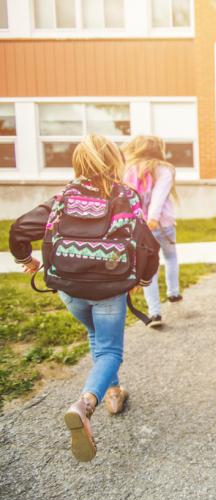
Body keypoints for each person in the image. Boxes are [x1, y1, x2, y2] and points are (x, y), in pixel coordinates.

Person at [9, 134, 159, 462]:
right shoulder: (126, 196)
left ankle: (114, 392)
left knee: (95, 335)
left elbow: (19, 230)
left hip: (68, 287)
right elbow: (149, 246)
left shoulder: (62, 198)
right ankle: (86, 403)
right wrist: (142, 279)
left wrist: (27, 261)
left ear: (79, 163)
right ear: (114, 161)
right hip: (109, 286)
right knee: (110, 350)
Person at [122, 135, 181, 328]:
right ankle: (173, 292)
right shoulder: (164, 169)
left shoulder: (130, 170)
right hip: (162, 224)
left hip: (140, 226)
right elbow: (160, 195)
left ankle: (154, 313)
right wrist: (153, 218)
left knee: (148, 267)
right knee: (170, 257)